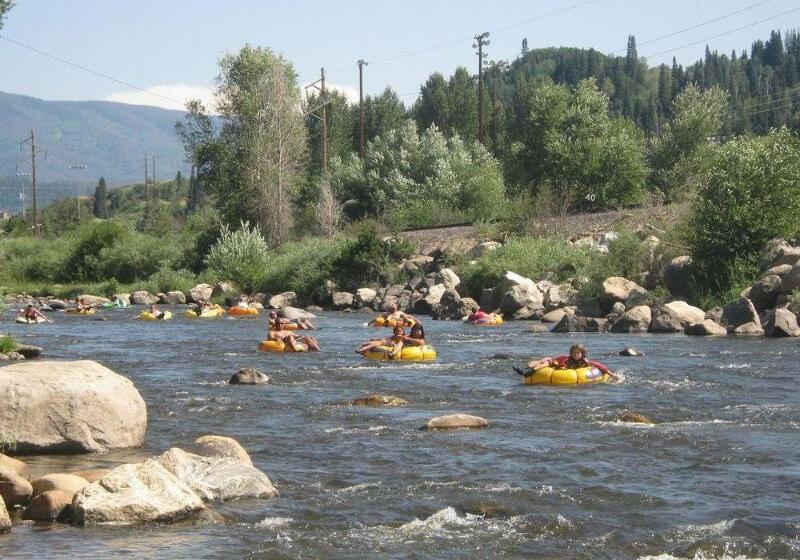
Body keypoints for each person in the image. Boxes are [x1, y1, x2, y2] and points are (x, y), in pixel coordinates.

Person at [525, 344, 613, 377]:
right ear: (571, 353)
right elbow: (553, 363)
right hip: (557, 361)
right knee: (548, 361)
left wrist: (612, 375)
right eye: (574, 353)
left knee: (548, 360)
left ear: (582, 354)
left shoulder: (586, 361)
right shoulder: (566, 359)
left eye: (578, 353)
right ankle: (531, 367)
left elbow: (600, 366)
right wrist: (534, 370)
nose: (576, 355)